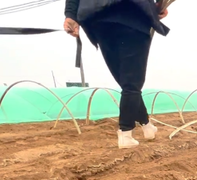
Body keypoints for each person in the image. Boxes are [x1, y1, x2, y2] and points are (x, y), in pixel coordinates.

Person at [64, 0, 170, 149]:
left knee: (126, 81)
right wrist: (156, 7)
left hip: (99, 22)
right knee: (132, 83)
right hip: (131, 18)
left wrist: (70, 15)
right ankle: (126, 133)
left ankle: (147, 126)